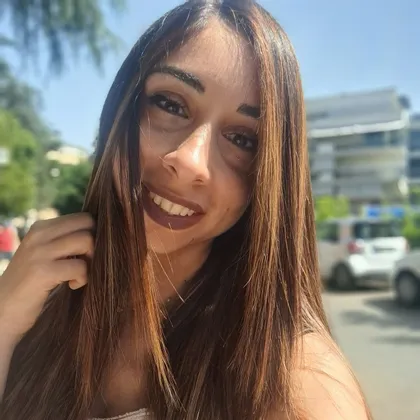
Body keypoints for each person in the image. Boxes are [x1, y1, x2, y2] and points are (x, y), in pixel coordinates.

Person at [0, 0, 372, 419]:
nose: (191, 162)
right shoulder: (36, 298)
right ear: (122, 107)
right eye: (171, 105)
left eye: (243, 139)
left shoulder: (297, 385)